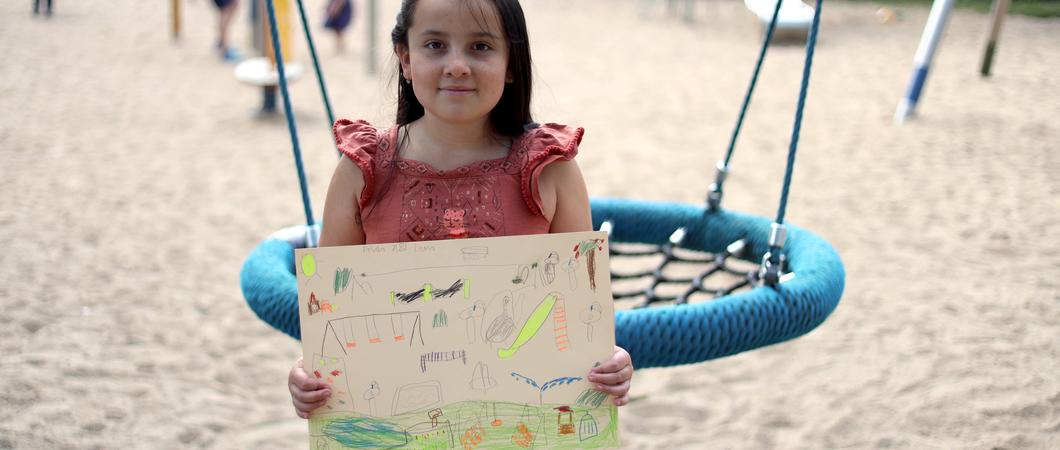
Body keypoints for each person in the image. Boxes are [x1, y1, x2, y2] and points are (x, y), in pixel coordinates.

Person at [287, 0, 635, 419]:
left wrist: (610, 361)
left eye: (481, 47)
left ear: (511, 63)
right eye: (435, 45)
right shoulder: (362, 170)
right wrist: (308, 376)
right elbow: (328, 316)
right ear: (406, 59)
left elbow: (582, 314)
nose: (456, 65)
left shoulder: (550, 169)